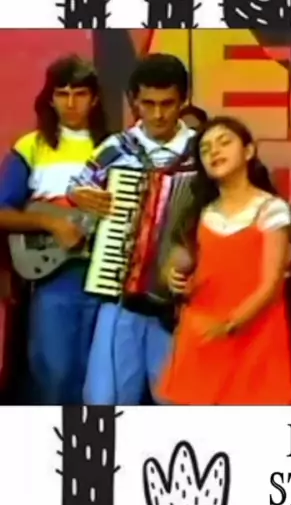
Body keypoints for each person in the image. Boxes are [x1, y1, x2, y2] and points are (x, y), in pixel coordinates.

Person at [68, 53, 197, 405]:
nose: (157, 114)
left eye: (167, 104)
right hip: (121, 288)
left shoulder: (202, 150)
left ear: (183, 101)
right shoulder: (115, 149)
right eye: (148, 104)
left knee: (179, 400)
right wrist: (82, 199)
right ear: (133, 101)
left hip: (185, 298)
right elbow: (78, 193)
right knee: (109, 396)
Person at [155, 116, 291, 405]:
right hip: (203, 334)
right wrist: (171, 276)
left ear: (248, 151)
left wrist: (230, 324)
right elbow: (177, 263)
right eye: (206, 149)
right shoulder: (200, 213)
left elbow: (271, 286)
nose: (214, 152)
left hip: (253, 334)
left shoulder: (271, 209)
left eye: (224, 143)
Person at [0, 55, 108, 404]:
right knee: (55, 376)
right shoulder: (31, 146)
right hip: (54, 279)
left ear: (95, 99)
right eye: (62, 93)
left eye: (80, 93)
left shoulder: (116, 147)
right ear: (50, 99)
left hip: (109, 280)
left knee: (99, 382)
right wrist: (51, 223)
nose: (71, 103)